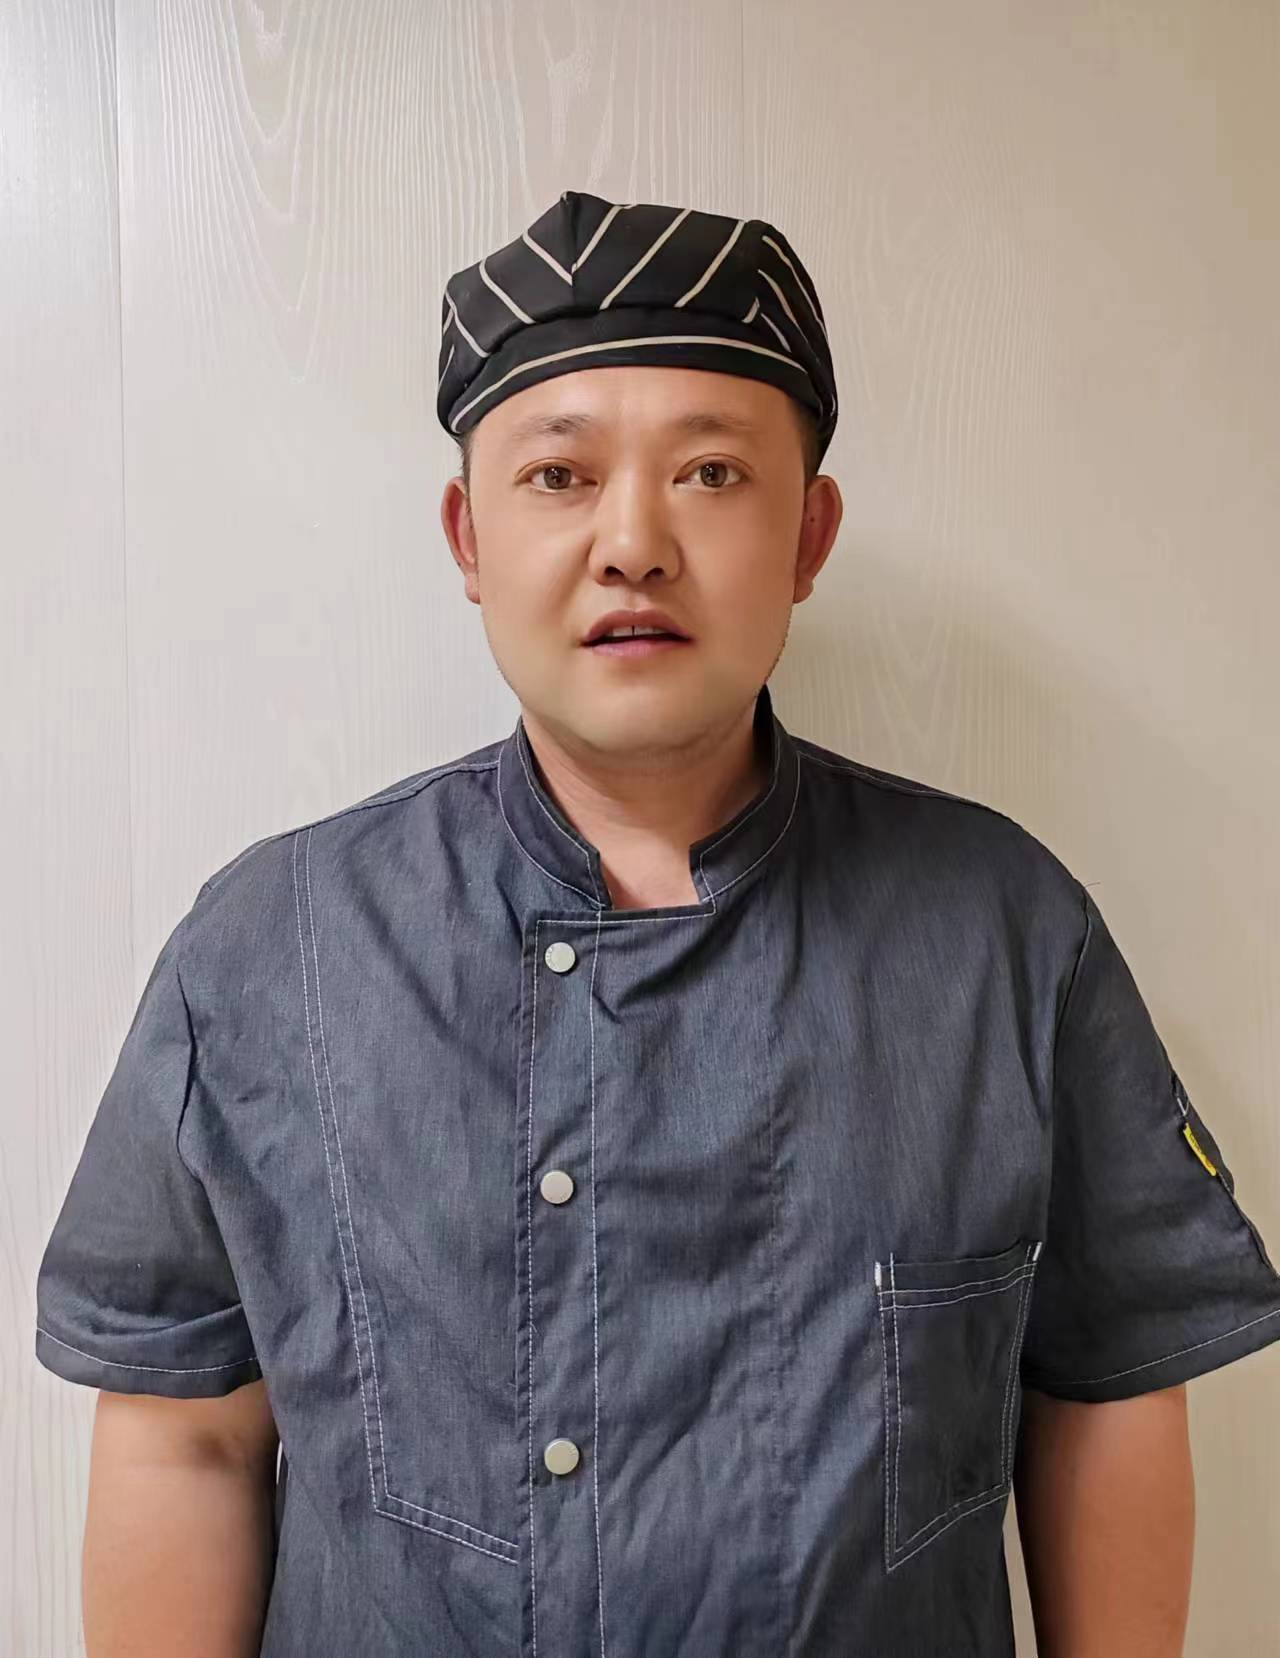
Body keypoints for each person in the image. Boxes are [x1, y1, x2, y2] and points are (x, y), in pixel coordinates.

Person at [35, 189, 1280, 1657]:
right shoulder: (271, 948)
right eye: (558, 475)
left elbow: (1109, 1387)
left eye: (711, 471)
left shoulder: (1004, 928)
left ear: (809, 533)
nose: (632, 542)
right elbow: (187, 1435)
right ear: (470, 537)